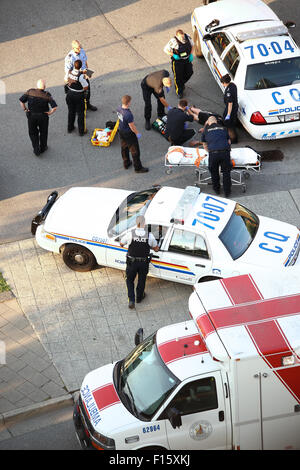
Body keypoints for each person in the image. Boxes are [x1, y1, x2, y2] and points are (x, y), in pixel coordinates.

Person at [120, 215, 159, 309]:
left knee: (129, 280)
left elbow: (121, 243)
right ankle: (139, 298)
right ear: (144, 224)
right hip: (143, 263)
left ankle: (131, 300)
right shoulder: (150, 235)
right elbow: (156, 249)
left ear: (136, 223)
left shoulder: (130, 234)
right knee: (142, 280)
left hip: (131, 262)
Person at [19, 79, 57, 156]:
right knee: (43, 132)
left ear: (37, 86)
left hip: (31, 116)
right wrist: (49, 113)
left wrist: (25, 109)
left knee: (33, 133)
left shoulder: (30, 92)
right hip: (43, 116)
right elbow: (55, 107)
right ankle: (43, 147)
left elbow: (21, 101)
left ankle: (36, 149)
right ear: (44, 87)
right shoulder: (47, 94)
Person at [201, 116, 232, 197]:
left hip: (213, 153)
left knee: (214, 172)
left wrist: (210, 151)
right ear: (216, 122)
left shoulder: (205, 131)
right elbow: (229, 141)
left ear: (208, 122)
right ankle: (227, 192)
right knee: (226, 172)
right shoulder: (224, 128)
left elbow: (204, 144)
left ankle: (217, 189)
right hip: (224, 152)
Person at [117, 95, 148, 173]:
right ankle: (138, 168)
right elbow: (131, 126)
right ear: (128, 103)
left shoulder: (119, 108)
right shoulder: (128, 114)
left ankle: (126, 163)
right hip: (129, 134)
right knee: (135, 151)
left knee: (124, 148)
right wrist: (137, 133)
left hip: (121, 131)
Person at [64, 40, 97, 111]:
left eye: (80, 47)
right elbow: (68, 71)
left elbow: (85, 62)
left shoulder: (82, 51)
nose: (80, 49)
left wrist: (88, 72)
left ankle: (87, 105)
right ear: (73, 48)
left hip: (84, 75)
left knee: (87, 90)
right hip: (76, 78)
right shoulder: (70, 58)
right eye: (77, 48)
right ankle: (78, 109)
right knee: (78, 95)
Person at [164, 29, 194, 99]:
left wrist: (191, 54)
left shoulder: (187, 37)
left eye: (183, 36)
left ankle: (181, 84)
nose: (182, 39)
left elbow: (192, 45)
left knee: (190, 72)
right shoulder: (173, 41)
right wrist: (173, 55)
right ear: (177, 36)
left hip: (187, 59)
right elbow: (165, 50)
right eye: (181, 37)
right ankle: (179, 91)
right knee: (178, 77)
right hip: (178, 61)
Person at [65, 59, 89, 135]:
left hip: (69, 94)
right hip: (79, 96)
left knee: (71, 112)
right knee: (81, 113)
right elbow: (86, 87)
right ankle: (81, 131)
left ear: (74, 66)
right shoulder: (81, 76)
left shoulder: (69, 72)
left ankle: (70, 128)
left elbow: (66, 80)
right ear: (81, 66)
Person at [220, 74, 238, 143]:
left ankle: (233, 139)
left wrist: (228, 114)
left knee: (229, 125)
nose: (223, 84)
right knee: (232, 123)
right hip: (235, 107)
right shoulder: (233, 85)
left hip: (231, 109)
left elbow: (230, 103)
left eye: (222, 83)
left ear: (224, 82)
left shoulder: (228, 91)